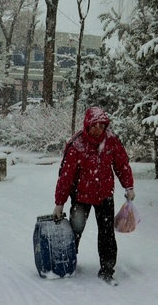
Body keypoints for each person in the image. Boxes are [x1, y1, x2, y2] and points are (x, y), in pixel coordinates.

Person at [53, 106, 135, 285]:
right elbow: (65, 176)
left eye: (101, 125)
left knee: (107, 235)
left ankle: (107, 270)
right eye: (94, 125)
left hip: (104, 196)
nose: (98, 129)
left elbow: (122, 165)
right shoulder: (77, 144)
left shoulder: (111, 140)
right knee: (75, 232)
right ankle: (68, 264)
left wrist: (128, 186)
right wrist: (60, 203)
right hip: (81, 197)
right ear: (87, 125)